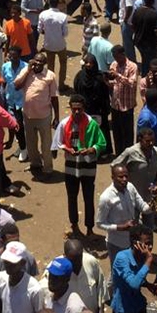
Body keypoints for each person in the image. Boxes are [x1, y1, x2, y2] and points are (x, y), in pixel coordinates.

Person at [53, 94, 107, 237]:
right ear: (70, 108)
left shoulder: (92, 124)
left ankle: (89, 228)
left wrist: (91, 149)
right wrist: (67, 148)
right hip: (71, 166)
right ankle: (74, 225)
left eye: (80, 109)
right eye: (74, 109)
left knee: (88, 198)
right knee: (72, 197)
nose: (77, 112)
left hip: (88, 167)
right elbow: (59, 142)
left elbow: (102, 143)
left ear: (84, 108)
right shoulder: (64, 124)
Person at [110, 224, 154, 313]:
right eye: (146, 243)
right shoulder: (122, 258)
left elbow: (139, 280)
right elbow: (134, 283)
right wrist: (148, 261)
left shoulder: (142, 257)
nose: (150, 247)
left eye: (151, 243)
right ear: (135, 243)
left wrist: (149, 285)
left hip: (139, 312)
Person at [13, 52, 59, 176]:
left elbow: (54, 98)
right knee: (31, 143)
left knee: (46, 145)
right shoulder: (26, 71)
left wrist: (56, 117)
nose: (37, 63)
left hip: (44, 116)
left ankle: (48, 169)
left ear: (45, 63)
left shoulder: (50, 76)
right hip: (28, 115)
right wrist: (28, 71)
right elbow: (17, 86)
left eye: (41, 62)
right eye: (36, 60)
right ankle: (35, 164)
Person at [98, 164, 153, 261]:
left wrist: (152, 204)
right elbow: (100, 223)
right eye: (120, 177)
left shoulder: (130, 187)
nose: (124, 179)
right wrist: (120, 227)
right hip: (116, 244)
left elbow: (143, 206)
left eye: (126, 176)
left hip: (134, 240)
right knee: (118, 268)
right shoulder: (106, 198)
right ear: (112, 177)